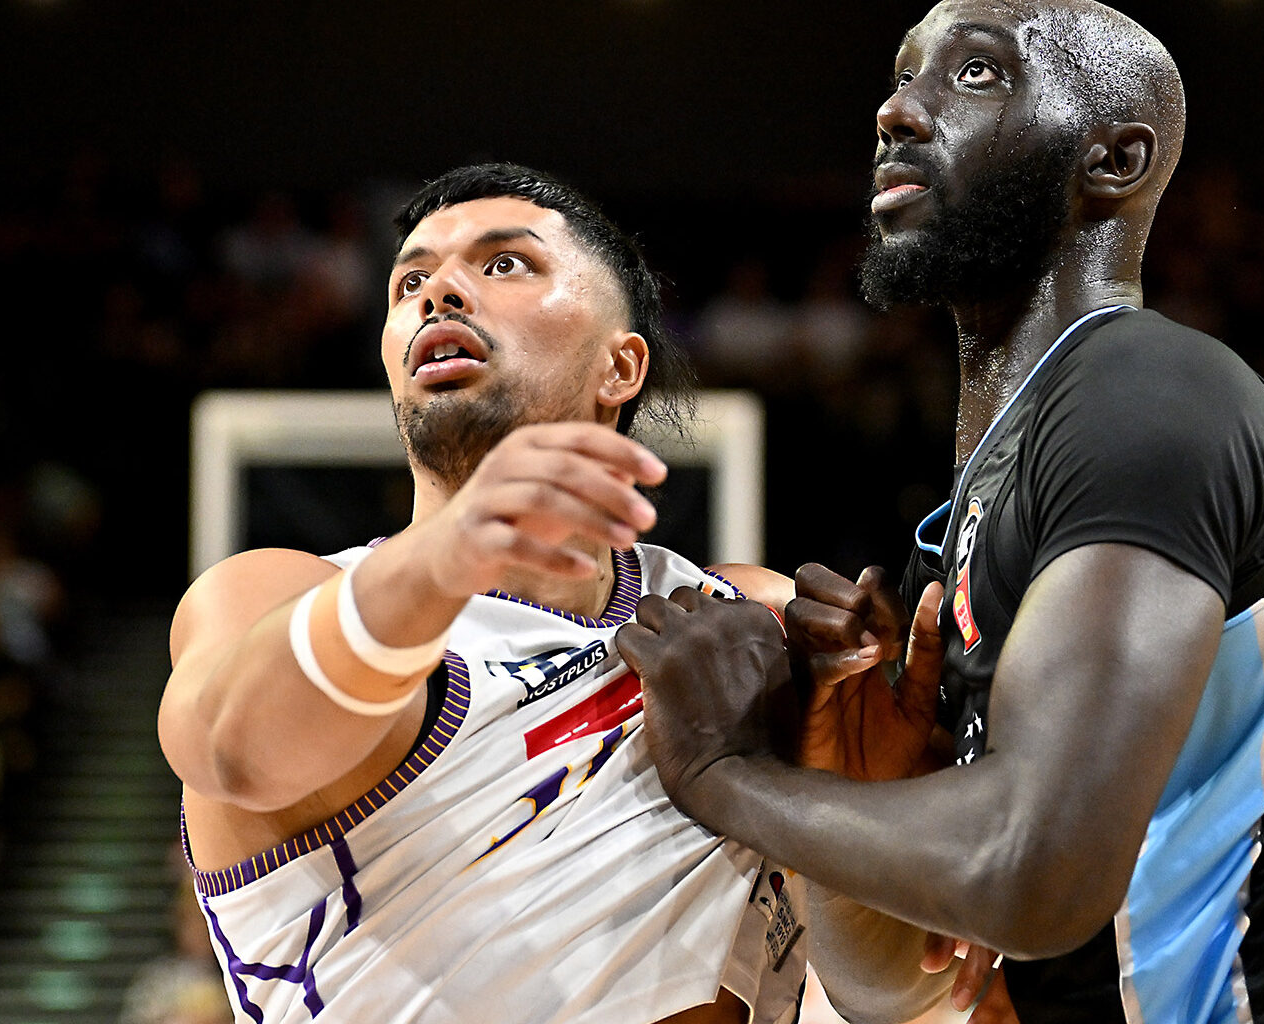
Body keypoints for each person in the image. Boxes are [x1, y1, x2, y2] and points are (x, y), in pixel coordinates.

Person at [612, 2, 1264, 1022]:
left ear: (1114, 159)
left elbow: (1034, 870)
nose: (899, 109)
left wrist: (725, 773)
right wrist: (847, 781)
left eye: (978, 74)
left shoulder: (1147, 394)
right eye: (904, 72)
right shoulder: (965, 533)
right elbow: (888, 989)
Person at [157, 163, 806, 1024]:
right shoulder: (278, 594)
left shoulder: (744, 615)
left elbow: (913, 961)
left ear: (620, 365)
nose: (441, 294)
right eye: (411, 281)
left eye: (505, 264)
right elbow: (232, 748)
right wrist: (446, 553)